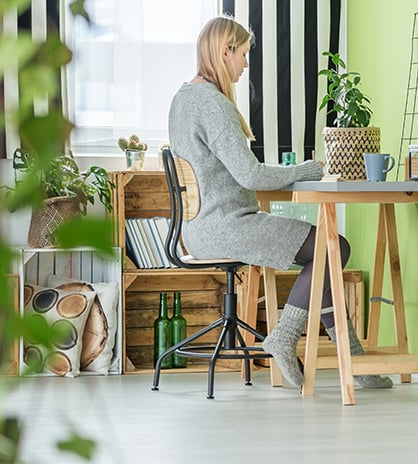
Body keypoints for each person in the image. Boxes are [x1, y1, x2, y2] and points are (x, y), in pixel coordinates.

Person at [167, 16, 391, 389]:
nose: (245, 65)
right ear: (225, 52)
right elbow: (251, 176)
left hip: (199, 229)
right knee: (332, 246)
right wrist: (310, 168)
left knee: (326, 253)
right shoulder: (212, 105)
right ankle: (286, 338)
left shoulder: (183, 99)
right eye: (243, 54)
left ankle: (354, 363)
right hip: (227, 227)